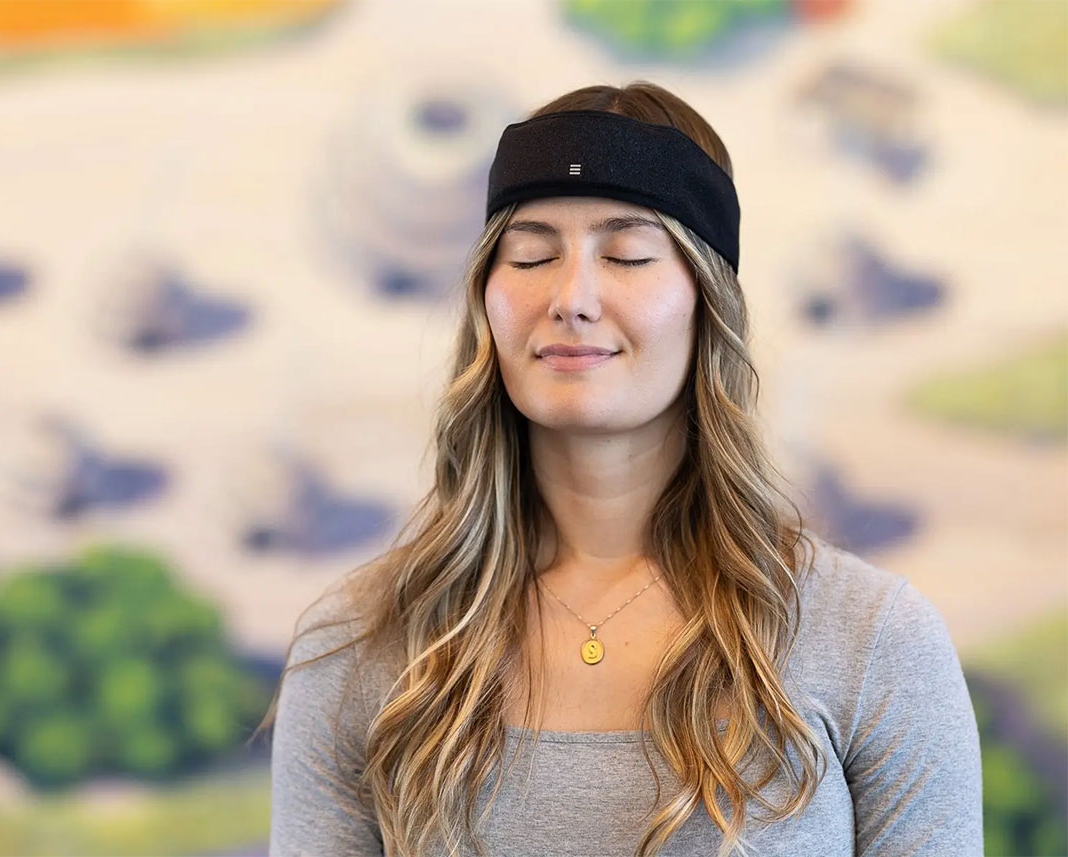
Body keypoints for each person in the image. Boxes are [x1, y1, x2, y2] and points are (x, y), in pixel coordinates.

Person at [256, 81, 983, 857]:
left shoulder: (875, 641)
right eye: (531, 253)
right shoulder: (355, 645)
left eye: (628, 254)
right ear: (486, 301)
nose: (572, 297)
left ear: (709, 302)